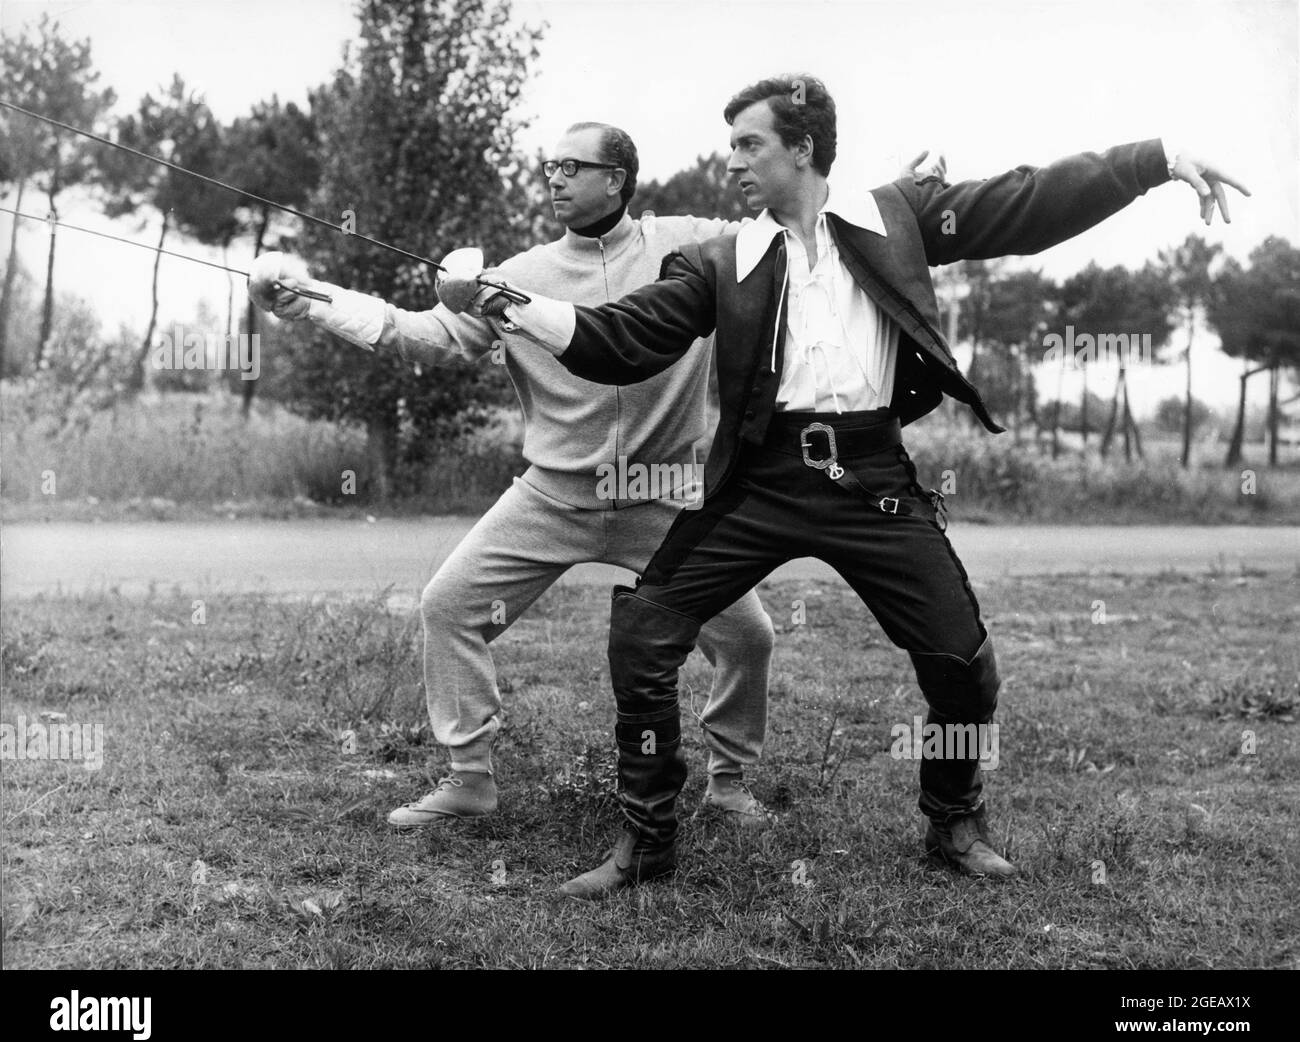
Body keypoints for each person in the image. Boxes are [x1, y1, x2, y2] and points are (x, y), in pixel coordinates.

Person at [464, 75, 1249, 898]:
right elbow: (624, 340)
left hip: (871, 477)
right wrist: (514, 305)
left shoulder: (896, 219)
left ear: (802, 149)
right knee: (645, 635)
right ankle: (646, 845)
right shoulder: (721, 260)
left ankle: (954, 821)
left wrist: (1155, 160)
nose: (730, 161)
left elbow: (1027, 203)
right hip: (761, 479)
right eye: (730, 144)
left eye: (749, 144)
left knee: (962, 661)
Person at [250, 123, 793, 832]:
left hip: (667, 499)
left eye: (573, 166)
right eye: (550, 167)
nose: (556, 179)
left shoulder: (688, 242)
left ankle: (728, 785)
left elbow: (786, 226)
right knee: (449, 607)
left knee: (749, 638)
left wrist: (894, 199)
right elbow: (427, 336)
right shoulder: (518, 274)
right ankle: (469, 780)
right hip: (554, 496)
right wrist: (313, 299)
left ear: (618, 178)